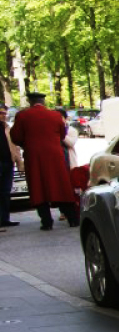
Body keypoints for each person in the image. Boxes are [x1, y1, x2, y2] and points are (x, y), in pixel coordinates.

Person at [10, 91, 78, 230]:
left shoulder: (22, 115)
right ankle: (72, 218)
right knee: (60, 185)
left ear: (30, 101)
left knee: (38, 187)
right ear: (44, 102)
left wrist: (27, 143)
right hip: (55, 156)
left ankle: (46, 222)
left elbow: (16, 137)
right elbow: (62, 134)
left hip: (34, 156)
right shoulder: (55, 115)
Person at [0, 107, 18, 230]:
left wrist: (19, 161)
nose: (3, 115)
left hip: (8, 162)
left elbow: (14, 145)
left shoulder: (7, 127)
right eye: (1, 113)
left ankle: (4, 219)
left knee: (5, 192)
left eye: (5, 113)